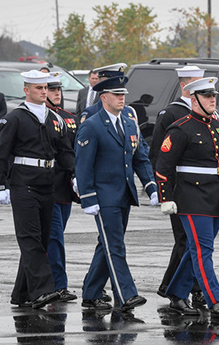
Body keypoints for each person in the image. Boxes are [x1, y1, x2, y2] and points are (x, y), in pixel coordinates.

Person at [155, 77, 219, 317]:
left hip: (215, 197)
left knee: (195, 249)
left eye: (213, 96)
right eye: (207, 96)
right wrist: (165, 197)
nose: (212, 100)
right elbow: (164, 165)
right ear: (194, 99)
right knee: (203, 250)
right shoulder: (180, 128)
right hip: (190, 197)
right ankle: (216, 300)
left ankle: (176, 295)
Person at [0, 70, 75, 309]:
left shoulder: (54, 119)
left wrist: (75, 174)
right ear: (26, 90)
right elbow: (1, 154)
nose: (44, 92)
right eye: (38, 88)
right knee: (29, 239)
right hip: (23, 184)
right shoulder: (15, 118)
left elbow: (65, 152)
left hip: (47, 185)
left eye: (45, 88)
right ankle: (43, 291)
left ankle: (21, 294)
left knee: (42, 239)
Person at [75, 74, 159, 312]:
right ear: (104, 97)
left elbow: (140, 158)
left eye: (123, 95)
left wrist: (150, 186)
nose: (122, 99)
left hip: (123, 194)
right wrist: (88, 196)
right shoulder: (91, 125)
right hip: (102, 197)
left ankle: (91, 293)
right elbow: (83, 164)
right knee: (115, 246)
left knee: (107, 244)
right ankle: (126, 294)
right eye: (117, 95)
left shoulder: (130, 123)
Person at [149, 66, 207, 306]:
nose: (205, 92)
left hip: (203, 189)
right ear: (185, 86)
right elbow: (158, 155)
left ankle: (185, 288)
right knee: (185, 240)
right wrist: (164, 191)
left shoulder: (205, 111)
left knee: (197, 241)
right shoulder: (171, 114)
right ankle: (177, 290)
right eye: (197, 85)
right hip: (179, 189)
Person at [45, 72, 79, 302]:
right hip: (47, 186)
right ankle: (58, 285)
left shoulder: (69, 118)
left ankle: (42, 283)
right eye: (52, 90)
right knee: (55, 238)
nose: (57, 94)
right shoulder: (39, 116)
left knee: (54, 237)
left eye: (59, 90)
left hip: (66, 187)